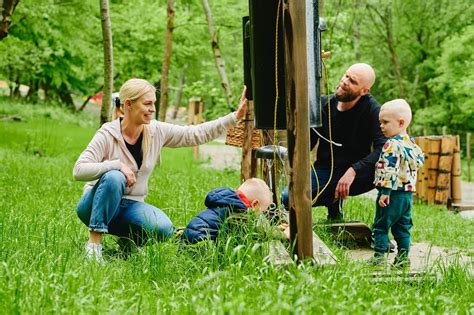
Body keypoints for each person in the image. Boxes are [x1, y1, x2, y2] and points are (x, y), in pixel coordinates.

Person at [73, 78, 248, 261]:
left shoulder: (155, 131)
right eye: (147, 104)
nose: (153, 109)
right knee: (114, 177)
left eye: (154, 104)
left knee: (163, 228)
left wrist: (234, 117)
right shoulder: (107, 133)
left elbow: (194, 134)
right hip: (93, 206)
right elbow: (79, 170)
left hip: (129, 206)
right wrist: (116, 165)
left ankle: (127, 243)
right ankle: (94, 246)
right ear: (128, 104)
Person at [283, 63, 386, 220]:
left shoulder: (373, 111)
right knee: (287, 198)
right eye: (346, 76)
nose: (345, 81)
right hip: (326, 170)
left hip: (359, 173)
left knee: (392, 169)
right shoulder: (322, 104)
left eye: (352, 81)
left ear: (364, 91)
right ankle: (334, 204)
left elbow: (383, 148)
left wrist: (354, 170)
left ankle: (381, 234)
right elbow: (308, 144)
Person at [368, 99, 424, 267]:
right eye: (380, 122)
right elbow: (419, 163)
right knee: (403, 227)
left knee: (381, 225)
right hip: (406, 196)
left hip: (391, 194)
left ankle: (378, 258)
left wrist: (385, 192)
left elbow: (389, 169)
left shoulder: (391, 145)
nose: (381, 126)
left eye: (385, 122)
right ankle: (403, 259)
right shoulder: (412, 144)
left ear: (401, 122)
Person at [181, 178, 275, 244]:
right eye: (262, 212)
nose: (261, 215)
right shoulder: (239, 212)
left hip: (188, 242)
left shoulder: (226, 201)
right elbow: (258, 235)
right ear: (254, 204)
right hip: (200, 248)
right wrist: (282, 234)